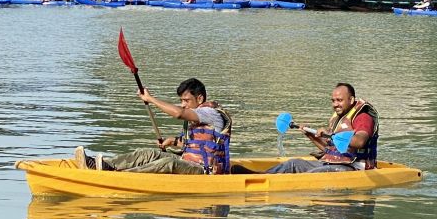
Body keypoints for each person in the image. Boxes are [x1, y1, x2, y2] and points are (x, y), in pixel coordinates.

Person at [74, 78, 232, 175]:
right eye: (181, 100)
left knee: (167, 164)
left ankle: (119, 176)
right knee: (146, 154)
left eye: (186, 100)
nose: (182, 104)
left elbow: (178, 113)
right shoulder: (196, 116)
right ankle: (103, 165)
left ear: (200, 98)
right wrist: (173, 141)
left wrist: (150, 99)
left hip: (206, 171)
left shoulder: (209, 112)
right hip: (188, 162)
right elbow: (197, 145)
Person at [267, 83, 379, 174]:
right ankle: (259, 175)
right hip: (336, 164)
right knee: (292, 163)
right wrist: (310, 135)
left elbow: (360, 141)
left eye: (339, 100)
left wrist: (331, 135)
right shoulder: (338, 118)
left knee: (313, 173)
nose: (335, 104)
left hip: (355, 168)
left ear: (351, 100)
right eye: (333, 100)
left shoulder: (363, 117)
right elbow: (329, 150)